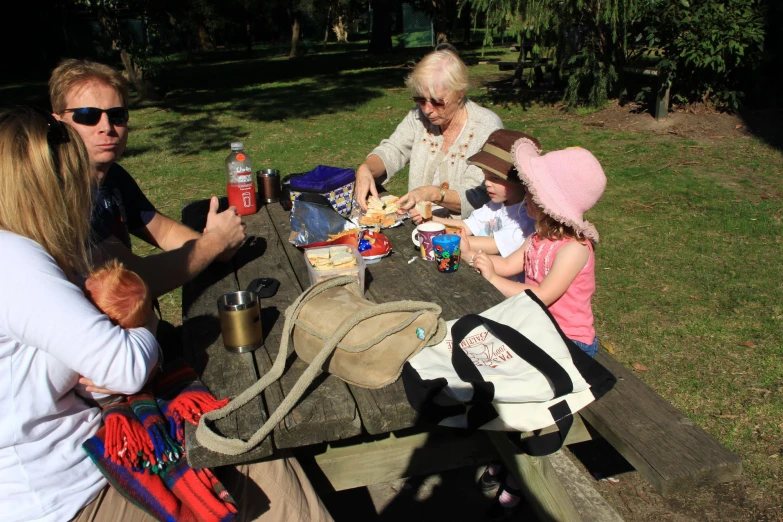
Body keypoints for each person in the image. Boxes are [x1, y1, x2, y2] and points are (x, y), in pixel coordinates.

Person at [0, 107, 333, 522]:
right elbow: (125, 365)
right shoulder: (16, 260)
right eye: (74, 176)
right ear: (48, 184)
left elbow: (101, 358)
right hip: (70, 491)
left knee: (240, 439)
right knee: (243, 446)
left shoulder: (35, 245)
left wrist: (210, 246)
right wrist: (146, 326)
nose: (83, 190)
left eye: (117, 113)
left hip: (93, 443)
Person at [470, 144, 606, 519]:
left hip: (570, 343)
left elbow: (542, 296)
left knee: (539, 401)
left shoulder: (575, 249)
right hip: (535, 331)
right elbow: (508, 263)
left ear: (548, 204)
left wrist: (494, 280)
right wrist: (476, 256)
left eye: (531, 192)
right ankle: (509, 446)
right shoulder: (538, 238)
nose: (525, 196)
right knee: (488, 368)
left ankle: (526, 463)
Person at [49, 59, 246, 299]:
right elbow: (130, 282)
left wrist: (218, 245)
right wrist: (214, 243)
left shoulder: (113, 176)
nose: (107, 127)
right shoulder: (57, 191)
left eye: (117, 115)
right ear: (58, 124)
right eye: (88, 115)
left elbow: (163, 232)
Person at [354, 46, 503, 221]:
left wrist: (433, 193)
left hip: (469, 234)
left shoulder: (486, 127)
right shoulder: (418, 118)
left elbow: (477, 195)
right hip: (420, 227)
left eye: (437, 101)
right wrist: (366, 169)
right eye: (420, 99)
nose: (427, 109)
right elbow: (393, 149)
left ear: (460, 93)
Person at [432, 129, 538, 264]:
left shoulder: (524, 217)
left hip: (502, 280)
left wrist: (447, 239)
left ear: (519, 180)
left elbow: (494, 245)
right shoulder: (496, 205)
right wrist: (430, 219)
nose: (487, 183)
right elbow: (466, 226)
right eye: (485, 176)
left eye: (495, 178)